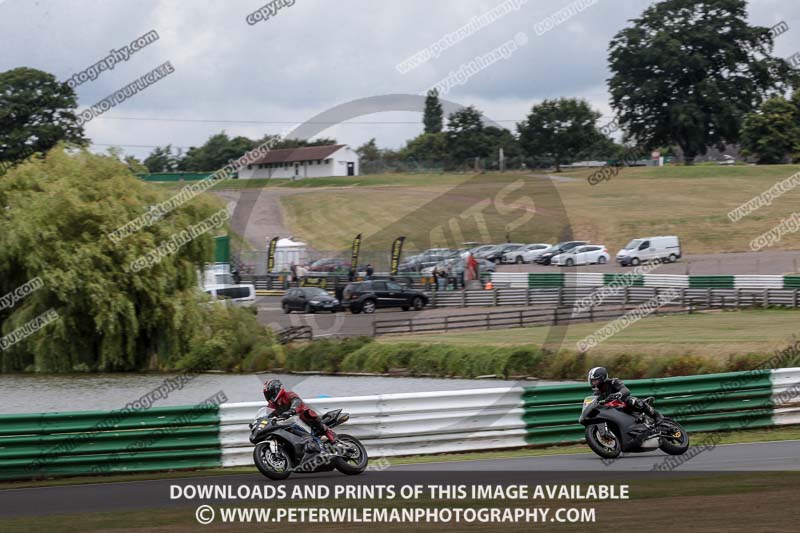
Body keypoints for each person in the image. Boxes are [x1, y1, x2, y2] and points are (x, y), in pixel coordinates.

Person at [263, 379, 337, 443]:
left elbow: (296, 402)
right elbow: (268, 415)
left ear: (276, 390)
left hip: (301, 417)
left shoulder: (288, 394)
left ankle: (328, 432)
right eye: (267, 394)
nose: (268, 396)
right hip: (288, 423)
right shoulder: (272, 405)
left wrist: (292, 410)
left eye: (270, 393)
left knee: (307, 414)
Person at [587, 367, 662, 422]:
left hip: (623, 405)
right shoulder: (596, 393)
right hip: (612, 411)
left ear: (602, 378)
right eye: (592, 381)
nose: (593, 383)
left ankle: (656, 415)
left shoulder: (613, 382)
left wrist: (618, 394)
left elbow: (626, 390)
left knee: (631, 401)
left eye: (595, 380)